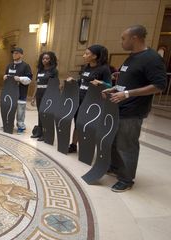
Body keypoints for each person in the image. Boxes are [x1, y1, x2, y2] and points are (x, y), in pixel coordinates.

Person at [102, 25, 167, 192]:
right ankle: (116, 168)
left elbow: (159, 85)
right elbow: (129, 82)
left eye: (124, 38)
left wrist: (128, 94)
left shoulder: (152, 58)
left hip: (133, 109)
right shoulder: (131, 57)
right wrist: (115, 88)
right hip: (120, 107)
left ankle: (126, 179)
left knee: (127, 144)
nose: (121, 42)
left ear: (135, 38)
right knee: (116, 142)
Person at [66, 44, 112, 153]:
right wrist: (73, 81)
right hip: (80, 99)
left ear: (95, 56)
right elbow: (82, 82)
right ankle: (73, 144)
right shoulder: (86, 67)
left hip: (92, 101)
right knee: (77, 122)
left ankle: (87, 147)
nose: (83, 56)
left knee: (89, 125)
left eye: (87, 54)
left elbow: (109, 85)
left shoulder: (104, 69)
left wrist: (101, 83)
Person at [3, 47, 33, 134]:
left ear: (21, 55)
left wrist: (19, 78)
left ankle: (21, 126)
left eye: (16, 53)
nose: (14, 54)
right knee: (9, 108)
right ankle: (9, 124)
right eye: (13, 53)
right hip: (10, 92)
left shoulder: (25, 66)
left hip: (21, 92)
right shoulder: (9, 65)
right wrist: (5, 77)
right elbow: (6, 75)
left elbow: (29, 79)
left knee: (20, 111)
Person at [31, 51, 59, 141]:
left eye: (47, 58)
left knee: (45, 114)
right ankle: (39, 132)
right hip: (39, 93)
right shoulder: (40, 70)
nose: (45, 60)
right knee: (40, 113)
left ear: (51, 59)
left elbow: (55, 84)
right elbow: (37, 84)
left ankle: (45, 133)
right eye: (43, 59)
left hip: (48, 94)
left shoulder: (54, 71)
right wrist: (33, 97)